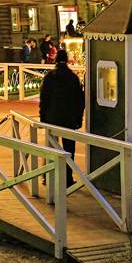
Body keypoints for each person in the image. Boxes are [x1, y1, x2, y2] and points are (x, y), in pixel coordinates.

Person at [39, 48, 85, 185]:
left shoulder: (49, 77)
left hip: (52, 119)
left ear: (55, 60)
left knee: (51, 148)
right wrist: (78, 119)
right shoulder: (73, 78)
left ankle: (48, 177)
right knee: (69, 149)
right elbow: (79, 101)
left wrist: (43, 117)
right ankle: (68, 178)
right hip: (69, 119)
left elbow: (44, 99)